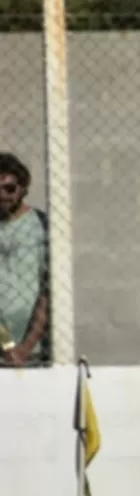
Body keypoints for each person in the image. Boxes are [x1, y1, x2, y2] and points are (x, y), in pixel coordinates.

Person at [0, 153, 48, 368]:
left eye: (9, 188)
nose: (2, 195)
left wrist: (26, 348)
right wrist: (7, 345)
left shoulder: (41, 225)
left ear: (23, 189)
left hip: (35, 350)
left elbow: (48, 291)